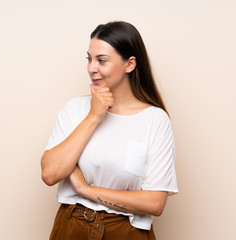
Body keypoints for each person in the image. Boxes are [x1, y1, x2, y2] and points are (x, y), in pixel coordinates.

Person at [41, 20, 178, 240]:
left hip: (127, 232)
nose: (91, 68)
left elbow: (155, 203)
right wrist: (94, 117)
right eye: (89, 59)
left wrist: (86, 190)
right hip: (71, 227)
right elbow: (50, 173)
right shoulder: (75, 110)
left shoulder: (155, 120)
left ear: (130, 64)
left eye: (101, 60)